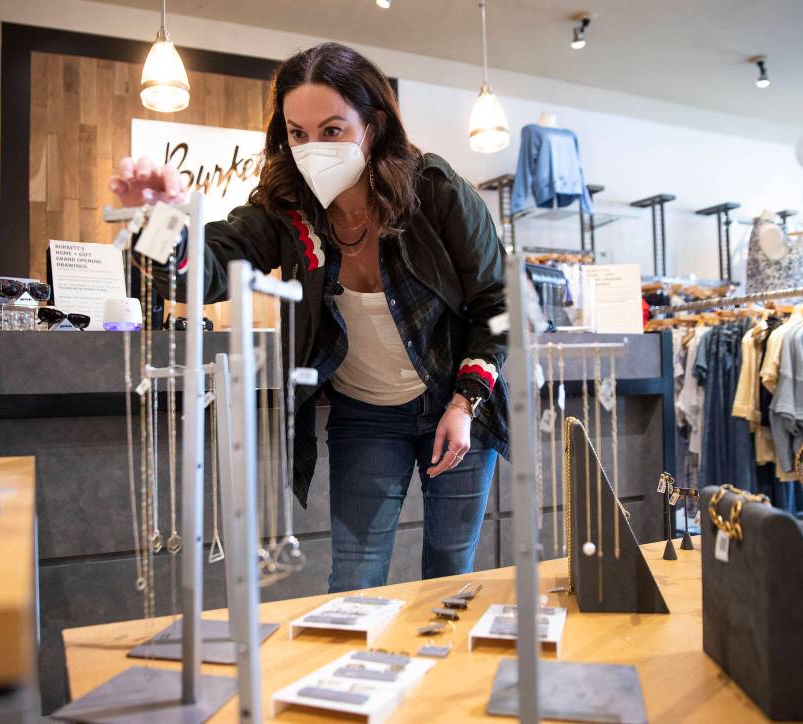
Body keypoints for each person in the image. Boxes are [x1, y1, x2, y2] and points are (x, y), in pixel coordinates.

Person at [110, 42, 509, 592]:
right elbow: (203, 274)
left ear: (372, 125)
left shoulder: (435, 192)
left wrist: (466, 403)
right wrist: (154, 222)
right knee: (355, 575)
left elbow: (498, 303)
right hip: (366, 413)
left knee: (449, 572)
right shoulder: (284, 208)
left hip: (458, 404)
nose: (312, 147)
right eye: (297, 133)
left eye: (332, 130)